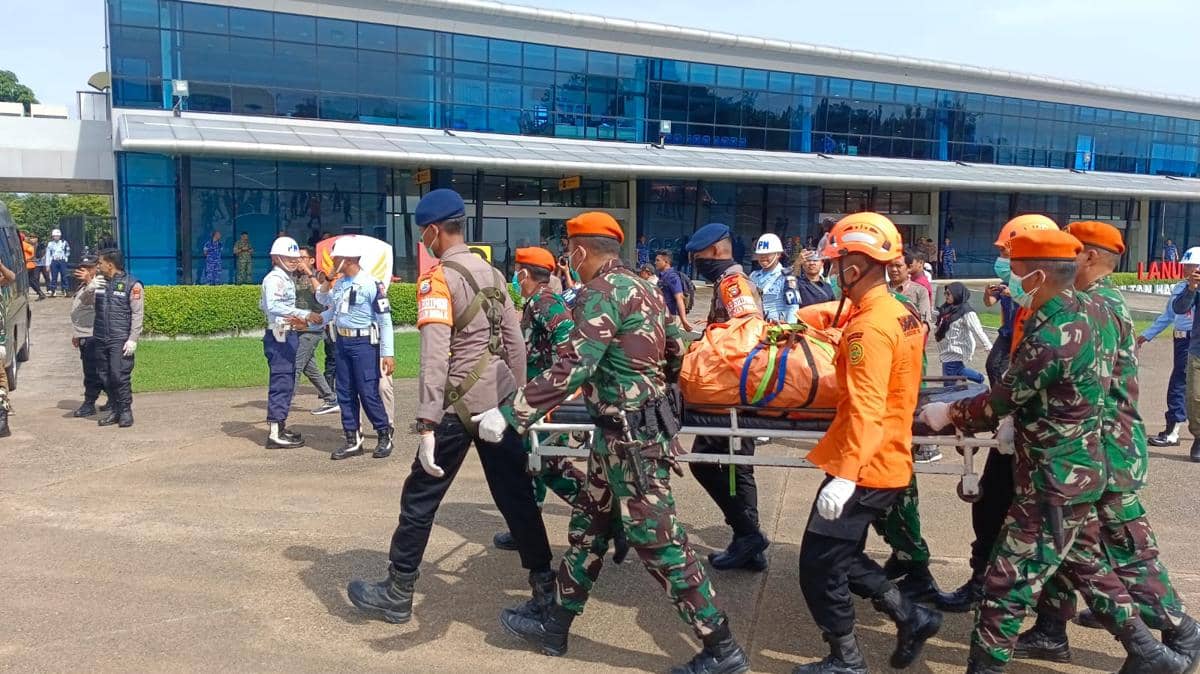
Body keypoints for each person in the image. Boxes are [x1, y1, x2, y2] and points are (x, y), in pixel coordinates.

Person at [472, 211, 750, 674]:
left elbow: (572, 367)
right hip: (621, 432)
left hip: (631, 441)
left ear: (580, 251)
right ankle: (555, 623)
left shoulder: (601, 294)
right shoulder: (644, 286)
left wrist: (510, 415)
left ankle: (722, 648)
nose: (568, 260)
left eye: (569, 251)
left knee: (658, 541)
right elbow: (676, 348)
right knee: (589, 526)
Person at [923, 228, 1194, 674]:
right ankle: (1152, 653)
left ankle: (986, 667)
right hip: (1075, 470)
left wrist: (948, 414)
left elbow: (1003, 399)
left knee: (1005, 584)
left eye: (1014, 269)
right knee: (1087, 562)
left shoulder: (1061, 330)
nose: (1009, 279)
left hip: (1057, 477)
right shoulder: (1076, 312)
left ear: (1037, 274)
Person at [345, 189, 552, 627]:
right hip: (496, 405)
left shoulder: (436, 279)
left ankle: (398, 592)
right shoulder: (496, 276)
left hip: (456, 409)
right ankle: (545, 588)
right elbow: (516, 345)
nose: (424, 239)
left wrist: (425, 424)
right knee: (517, 497)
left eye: (424, 233)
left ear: (434, 230)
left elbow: (436, 356)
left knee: (420, 497)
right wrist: (513, 402)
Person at [1013, 221, 1200, 667]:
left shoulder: (1096, 303)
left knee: (1127, 546)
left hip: (1105, 450)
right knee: (1071, 538)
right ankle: (1050, 629)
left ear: (1091, 257)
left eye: (1072, 251)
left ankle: (1181, 631)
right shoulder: (1094, 300)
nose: (1064, 259)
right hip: (1091, 450)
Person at [794, 212, 940, 673]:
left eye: (838, 264)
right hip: (886, 455)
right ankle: (911, 615)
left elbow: (866, 406)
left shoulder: (868, 329)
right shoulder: (900, 313)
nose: (835, 272)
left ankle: (849, 660)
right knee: (839, 554)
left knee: (818, 566)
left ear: (852, 270)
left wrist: (844, 476)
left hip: (865, 464)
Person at [934, 214, 1057, 615]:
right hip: (1016, 432)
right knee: (988, 507)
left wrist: (954, 412)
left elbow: (1015, 389)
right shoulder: (1027, 307)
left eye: (1009, 254)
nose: (1003, 263)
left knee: (1056, 536)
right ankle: (980, 583)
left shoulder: (1056, 317)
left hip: (1050, 447)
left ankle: (1046, 622)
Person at [491, 246, 629, 565]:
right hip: (539, 395)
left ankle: (611, 520)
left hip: (545, 399)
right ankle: (527, 527)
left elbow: (567, 345)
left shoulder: (544, 302)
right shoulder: (537, 302)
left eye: (516, 272)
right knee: (535, 464)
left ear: (524, 273)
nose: (515, 277)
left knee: (548, 466)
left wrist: (560, 389)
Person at [687, 222, 769, 572]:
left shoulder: (734, 284)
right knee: (731, 465)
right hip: (726, 390)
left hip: (731, 393)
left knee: (719, 463)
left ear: (717, 251)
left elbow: (749, 333)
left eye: (700, 255)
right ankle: (748, 543)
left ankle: (749, 536)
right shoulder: (725, 282)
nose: (696, 261)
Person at [317, 237, 395, 460]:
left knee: (368, 391)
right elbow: (326, 305)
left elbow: (385, 321)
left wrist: (387, 353)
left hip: (364, 344)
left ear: (349, 259)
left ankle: (383, 433)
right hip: (342, 342)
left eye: (337, 258)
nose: (333, 262)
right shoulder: (341, 283)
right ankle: (352, 439)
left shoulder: (372, 284)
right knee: (345, 391)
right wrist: (314, 319)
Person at [258, 237, 320, 449]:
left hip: (286, 332)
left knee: (287, 379)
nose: (294, 261)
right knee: (282, 380)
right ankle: (275, 432)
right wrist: (303, 314)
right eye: (288, 257)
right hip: (279, 334)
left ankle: (280, 425)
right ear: (276, 258)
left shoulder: (286, 278)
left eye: (295, 258)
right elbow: (272, 305)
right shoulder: (274, 279)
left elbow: (264, 305)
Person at [1142, 247, 1200, 448]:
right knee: (1181, 384)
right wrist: (1146, 335)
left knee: (1180, 386)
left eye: (1191, 265)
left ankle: (1173, 430)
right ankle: (1174, 428)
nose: (1187, 269)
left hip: (1194, 341)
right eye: (1186, 265)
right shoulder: (1181, 287)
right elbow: (1170, 314)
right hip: (1180, 340)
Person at [93, 249, 143, 429]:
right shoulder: (99, 283)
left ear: (110, 264)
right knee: (104, 375)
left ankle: (125, 411)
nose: (98, 266)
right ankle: (114, 410)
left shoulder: (132, 284)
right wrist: (88, 287)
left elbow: (138, 314)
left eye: (100, 263)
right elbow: (83, 303)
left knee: (118, 375)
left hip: (119, 338)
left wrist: (133, 339)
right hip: (100, 336)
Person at [292, 246, 338, 416]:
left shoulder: (318, 275)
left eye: (302, 258)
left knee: (296, 364)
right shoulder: (293, 277)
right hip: (299, 326)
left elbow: (321, 295)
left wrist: (309, 273)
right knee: (308, 366)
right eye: (297, 258)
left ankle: (284, 402)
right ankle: (331, 398)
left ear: (311, 260)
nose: (298, 261)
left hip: (314, 328)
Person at [70, 255, 108, 418]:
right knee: (95, 371)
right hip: (84, 333)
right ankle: (114, 399)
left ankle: (90, 403)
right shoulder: (85, 284)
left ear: (96, 268)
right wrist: (76, 333)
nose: (82, 270)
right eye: (81, 267)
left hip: (93, 334)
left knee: (94, 372)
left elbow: (92, 303)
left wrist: (89, 283)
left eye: (87, 267)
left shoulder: (99, 283)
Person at [935, 282, 991, 384]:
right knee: (958, 370)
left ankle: (949, 396)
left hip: (957, 349)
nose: (946, 296)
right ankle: (981, 379)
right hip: (946, 349)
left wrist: (988, 347)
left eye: (948, 294)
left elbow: (978, 330)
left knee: (949, 377)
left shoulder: (966, 311)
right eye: (945, 294)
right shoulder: (946, 308)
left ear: (957, 294)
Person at [749, 233, 800, 324]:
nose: (763, 257)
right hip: (755, 327)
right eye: (760, 254)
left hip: (776, 330)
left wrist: (789, 332)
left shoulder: (787, 277)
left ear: (778, 254)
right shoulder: (753, 276)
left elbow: (793, 307)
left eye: (768, 253)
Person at [887, 253, 933, 332]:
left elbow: (925, 323)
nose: (894, 269)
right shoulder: (879, 290)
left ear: (909, 268)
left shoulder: (920, 291)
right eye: (890, 266)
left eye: (898, 266)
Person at [655, 250, 695, 333]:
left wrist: (683, 320)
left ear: (666, 262)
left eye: (658, 260)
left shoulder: (672, 277)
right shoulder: (663, 276)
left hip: (672, 317)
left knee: (671, 343)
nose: (655, 263)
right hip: (664, 315)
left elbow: (679, 298)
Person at [45, 228, 71, 297]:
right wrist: (47, 264)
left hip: (62, 261)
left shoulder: (64, 242)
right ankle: (53, 291)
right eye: (54, 236)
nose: (56, 237)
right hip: (54, 261)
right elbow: (48, 254)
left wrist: (65, 259)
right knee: (54, 277)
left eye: (57, 236)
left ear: (60, 236)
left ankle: (66, 290)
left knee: (64, 276)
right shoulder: (50, 244)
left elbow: (68, 251)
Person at [21, 233, 45, 301]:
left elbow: (32, 253)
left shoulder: (24, 244)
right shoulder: (25, 244)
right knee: (31, 281)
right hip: (29, 265)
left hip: (28, 265)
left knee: (30, 281)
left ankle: (40, 293)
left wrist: (26, 259)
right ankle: (40, 293)